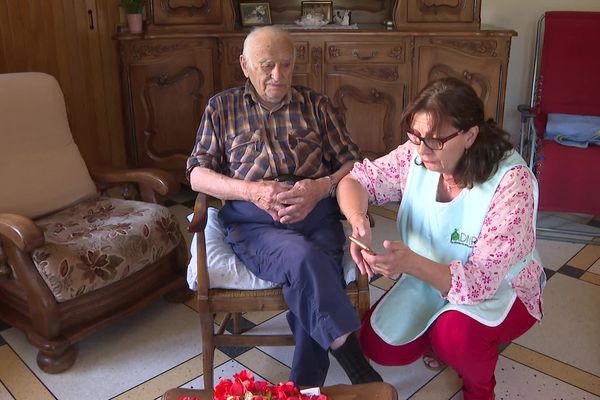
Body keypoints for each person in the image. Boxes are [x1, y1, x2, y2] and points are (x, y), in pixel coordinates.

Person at [186, 26, 382, 387]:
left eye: (287, 65)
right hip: (254, 221)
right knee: (307, 261)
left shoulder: (316, 105)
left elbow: (354, 164)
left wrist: (320, 187)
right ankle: (357, 369)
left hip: (315, 212)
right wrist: (252, 192)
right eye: (267, 66)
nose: (279, 76)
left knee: (313, 275)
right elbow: (197, 174)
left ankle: (303, 390)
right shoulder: (222, 107)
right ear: (244, 65)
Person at [336, 77, 545, 400]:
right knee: (377, 345)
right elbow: (357, 181)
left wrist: (410, 263)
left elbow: (479, 284)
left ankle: (478, 385)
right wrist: (357, 219)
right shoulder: (418, 152)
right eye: (416, 136)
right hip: (431, 276)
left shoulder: (510, 182)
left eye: (434, 140)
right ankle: (445, 335)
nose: (421, 149)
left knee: (455, 338)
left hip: (502, 289)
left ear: (471, 135)